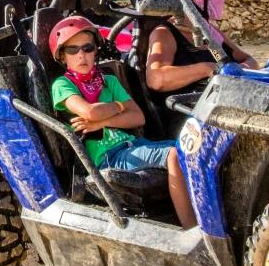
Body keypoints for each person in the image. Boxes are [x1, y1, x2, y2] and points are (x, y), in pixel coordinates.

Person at [48, 16, 196, 228]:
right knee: (175, 155)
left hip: (132, 145)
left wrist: (102, 123)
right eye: (73, 50)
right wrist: (119, 108)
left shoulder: (108, 80)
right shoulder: (62, 85)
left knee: (193, 149)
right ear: (62, 56)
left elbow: (138, 117)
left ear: (95, 50)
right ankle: (193, 230)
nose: (82, 55)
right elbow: (89, 112)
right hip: (108, 157)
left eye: (88, 48)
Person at [171, 0, 259, 71]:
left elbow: (249, 60)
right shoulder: (168, 31)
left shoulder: (211, 30)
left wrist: (239, 70)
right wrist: (209, 69)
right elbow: (157, 79)